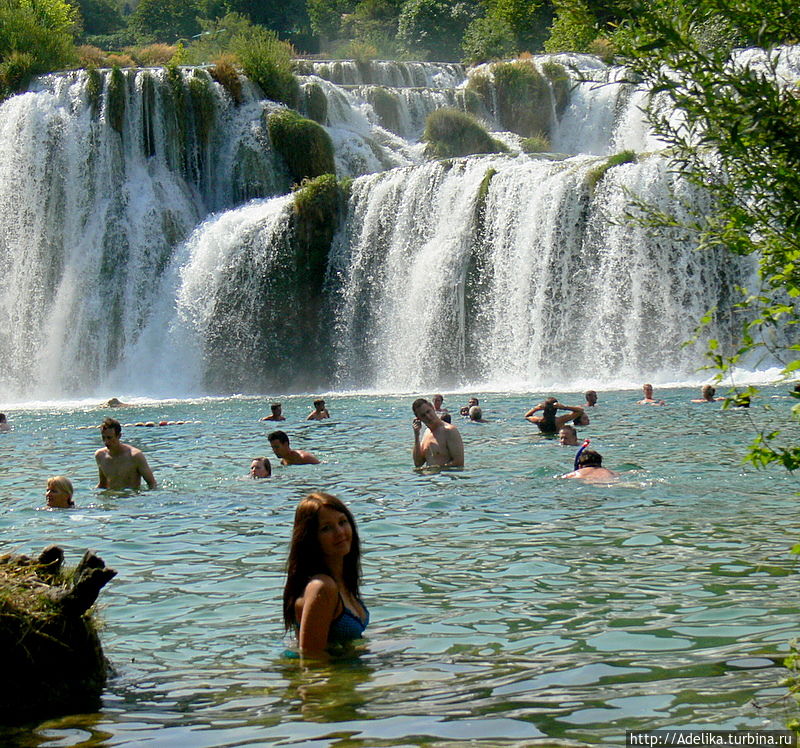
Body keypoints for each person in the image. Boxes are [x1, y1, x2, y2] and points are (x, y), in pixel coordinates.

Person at [283, 492, 368, 656]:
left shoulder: (341, 580)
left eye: (342, 522)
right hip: (327, 677)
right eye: (326, 528)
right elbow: (311, 659)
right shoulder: (322, 587)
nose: (339, 532)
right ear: (311, 538)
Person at [95, 417, 157, 490]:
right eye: (103, 438)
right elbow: (102, 484)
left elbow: (152, 484)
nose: (106, 442)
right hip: (113, 499)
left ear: (119, 436)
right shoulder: (100, 455)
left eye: (109, 438)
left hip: (132, 498)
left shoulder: (135, 456)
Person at [412, 398, 464, 467]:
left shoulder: (449, 431)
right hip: (431, 476)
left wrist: (436, 470)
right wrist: (416, 435)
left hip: (444, 477)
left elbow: (459, 462)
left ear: (433, 408)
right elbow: (418, 463)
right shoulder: (426, 433)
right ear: (418, 419)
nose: (428, 416)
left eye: (428, 411)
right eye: (423, 415)